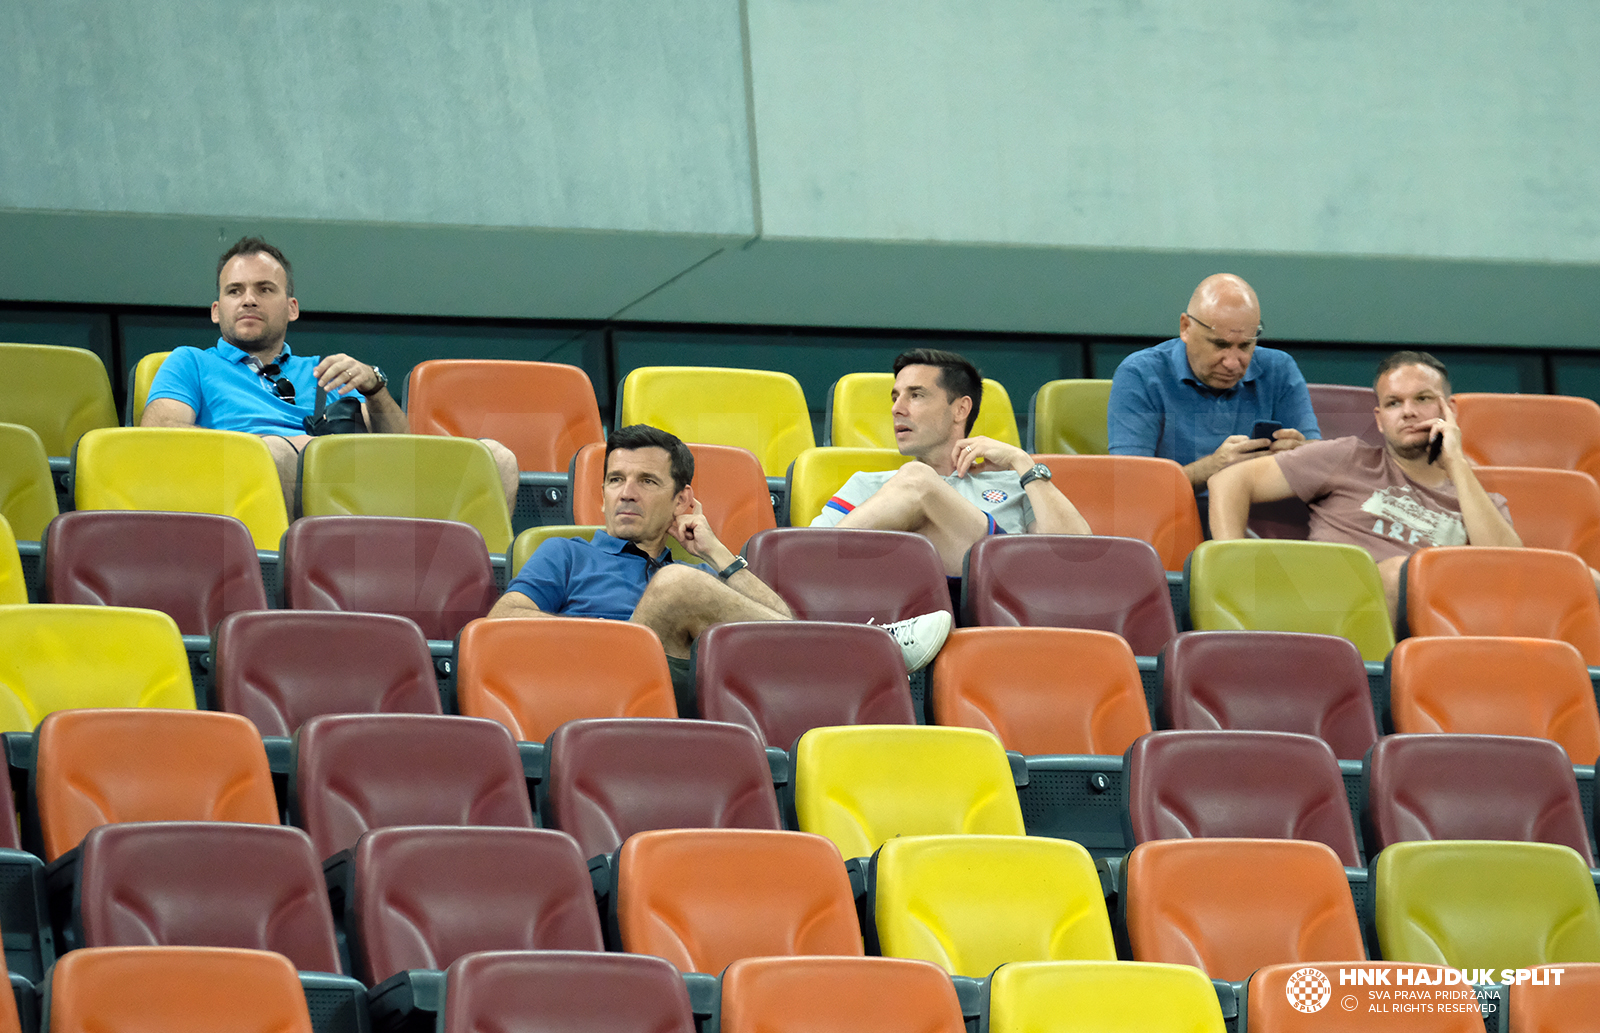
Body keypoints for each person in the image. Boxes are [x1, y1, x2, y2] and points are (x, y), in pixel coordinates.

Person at [488, 424, 953, 713]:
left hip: (686, 696)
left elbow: (783, 624)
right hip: (600, 687)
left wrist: (715, 552)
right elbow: (503, 620)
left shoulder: (701, 580)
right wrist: (610, 640)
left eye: (646, 481)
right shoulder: (566, 554)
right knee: (674, 587)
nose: (625, 493)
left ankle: (856, 651)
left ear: (681, 499)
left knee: (686, 590)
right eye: (614, 480)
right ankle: (865, 650)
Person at [140, 236, 519, 512]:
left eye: (264, 289)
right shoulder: (189, 362)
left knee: (495, 458)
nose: (249, 299)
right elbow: (159, 439)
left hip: (353, 489)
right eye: (234, 291)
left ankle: (473, 592)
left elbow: (402, 452)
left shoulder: (327, 370)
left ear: (292, 308)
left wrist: (375, 388)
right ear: (216, 310)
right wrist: (275, 448)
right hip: (242, 491)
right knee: (277, 453)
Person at [1207, 350, 1521, 621]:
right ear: (1380, 418)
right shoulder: (1347, 457)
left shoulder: (1479, 502)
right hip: (1329, 610)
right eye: (1394, 403)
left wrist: (1458, 465)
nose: (1408, 411)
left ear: (1449, 410)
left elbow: (1512, 573)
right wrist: (1235, 567)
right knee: (1401, 573)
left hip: (1428, 626)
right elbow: (1229, 480)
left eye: (1423, 398)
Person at [810, 349, 1092, 575]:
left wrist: (1023, 462)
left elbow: (1077, 555)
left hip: (995, 592)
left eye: (916, 395)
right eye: (895, 397)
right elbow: (803, 552)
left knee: (918, 480)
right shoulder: (867, 484)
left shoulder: (1017, 484)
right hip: (896, 607)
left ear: (960, 409)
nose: (897, 408)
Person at [1108, 273, 1321, 491]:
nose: (1232, 363)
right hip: (1172, 518)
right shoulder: (1140, 374)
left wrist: (1301, 457)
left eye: (1245, 346)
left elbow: (1321, 467)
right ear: (1185, 328)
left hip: (1259, 518)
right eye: (1220, 345)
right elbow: (1131, 487)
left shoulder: (1279, 369)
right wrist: (1211, 468)